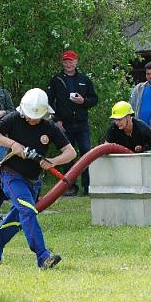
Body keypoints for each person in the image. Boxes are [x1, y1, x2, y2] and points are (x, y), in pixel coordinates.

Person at [0, 88, 76, 269]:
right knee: (27, 211)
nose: (29, 118)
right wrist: (13, 144)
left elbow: (70, 152)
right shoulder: (14, 118)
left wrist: (53, 161)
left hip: (34, 181)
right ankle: (43, 257)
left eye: (34, 116)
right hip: (11, 175)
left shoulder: (49, 127)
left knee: (17, 218)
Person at [46, 50, 98, 196]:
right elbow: (48, 101)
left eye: (71, 61)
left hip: (82, 124)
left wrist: (84, 101)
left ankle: (88, 186)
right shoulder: (56, 79)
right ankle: (69, 187)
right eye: (66, 61)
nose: (68, 64)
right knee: (67, 156)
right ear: (62, 63)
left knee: (86, 153)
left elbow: (94, 99)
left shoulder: (84, 79)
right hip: (64, 124)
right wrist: (56, 120)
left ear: (76, 62)